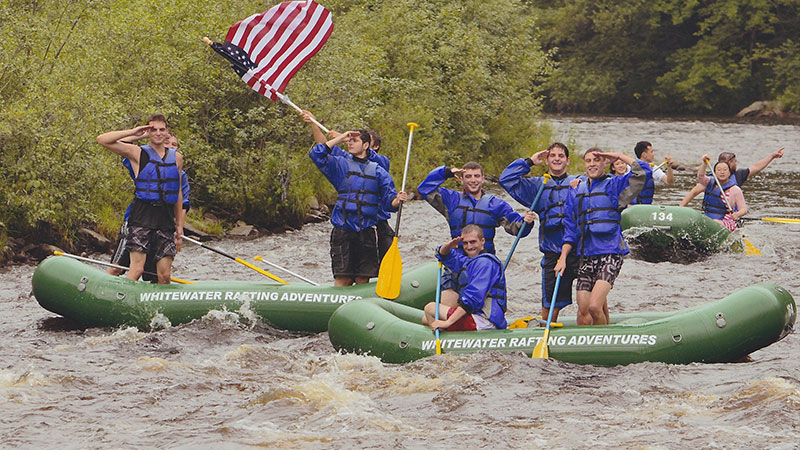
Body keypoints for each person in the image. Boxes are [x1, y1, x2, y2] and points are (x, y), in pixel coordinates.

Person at [418, 161, 536, 307]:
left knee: (482, 307)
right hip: (456, 261)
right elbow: (424, 189)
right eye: (468, 176)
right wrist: (446, 172)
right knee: (448, 302)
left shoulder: (495, 204)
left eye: (476, 176)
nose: (473, 180)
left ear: (483, 179)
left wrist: (526, 222)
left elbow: (517, 228)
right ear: (461, 179)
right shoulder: (451, 199)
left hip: (484, 264)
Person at [554, 148, 647, 326]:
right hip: (586, 255)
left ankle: (605, 337)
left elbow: (642, 172)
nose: (592, 164)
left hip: (610, 253)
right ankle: (587, 342)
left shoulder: (614, 185)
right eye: (588, 161)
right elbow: (570, 227)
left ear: (605, 163)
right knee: (583, 311)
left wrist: (618, 156)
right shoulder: (576, 189)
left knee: (594, 307)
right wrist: (563, 258)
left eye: (596, 160)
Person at [308, 126, 407, 287]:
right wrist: (341, 138)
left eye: (354, 140)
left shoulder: (379, 171)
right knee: (344, 279)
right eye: (349, 140)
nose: (350, 143)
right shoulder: (340, 164)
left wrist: (398, 200)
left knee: (363, 279)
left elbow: (390, 202)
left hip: (366, 231)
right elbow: (316, 154)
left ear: (366, 145)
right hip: (343, 230)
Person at [97, 114, 184, 284]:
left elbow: (178, 192)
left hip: (165, 218)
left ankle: (159, 302)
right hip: (142, 215)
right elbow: (103, 140)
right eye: (153, 129)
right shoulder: (137, 152)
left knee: (164, 275)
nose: (158, 133)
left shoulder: (177, 158)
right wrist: (135, 132)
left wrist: (179, 226)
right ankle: (120, 297)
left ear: (167, 132)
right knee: (137, 269)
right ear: (148, 131)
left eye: (162, 130)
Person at [499, 143, 579, 323]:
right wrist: (529, 162)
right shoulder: (537, 185)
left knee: (590, 300)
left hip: (579, 250)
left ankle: (600, 330)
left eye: (561, 156)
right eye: (553, 156)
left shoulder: (578, 182)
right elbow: (506, 179)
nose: (557, 159)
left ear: (567, 160)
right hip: (552, 251)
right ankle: (547, 329)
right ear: (547, 160)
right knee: (550, 304)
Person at [302, 112, 396, 262]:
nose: (352, 143)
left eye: (358, 140)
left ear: (371, 146)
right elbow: (324, 148)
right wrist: (314, 124)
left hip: (377, 224)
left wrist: (347, 139)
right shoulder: (347, 161)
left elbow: (370, 156)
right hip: (353, 225)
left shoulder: (382, 163)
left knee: (381, 262)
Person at [422, 225, 507, 331]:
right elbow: (445, 256)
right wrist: (447, 246)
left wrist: (448, 322)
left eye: (473, 242)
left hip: (484, 320)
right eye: (465, 243)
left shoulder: (485, 263)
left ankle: (446, 337)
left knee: (430, 308)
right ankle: (445, 332)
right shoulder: (467, 262)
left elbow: (472, 298)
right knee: (425, 319)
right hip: (475, 317)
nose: (469, 246)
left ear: (482, 241)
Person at [680, 147, 784, 205]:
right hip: (712, 215)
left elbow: (756, 167)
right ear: (730, 163)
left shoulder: (739, 175)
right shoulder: (710, 179)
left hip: (729, 216)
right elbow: (693, 192)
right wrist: (680, 209)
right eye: (735, 161)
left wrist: (772, 157)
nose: (736, 164)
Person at [692, 155, 748, 231]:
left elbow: (744, 209)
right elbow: (700, 176)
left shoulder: (735, 189)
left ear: (729, 173)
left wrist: (737, 214)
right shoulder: (709, 182)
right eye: (719, 170)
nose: (722, 172)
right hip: (708, 217)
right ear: (714, 173)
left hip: (726, 220)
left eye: (725, 170)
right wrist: (704, 163)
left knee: (715, 222)